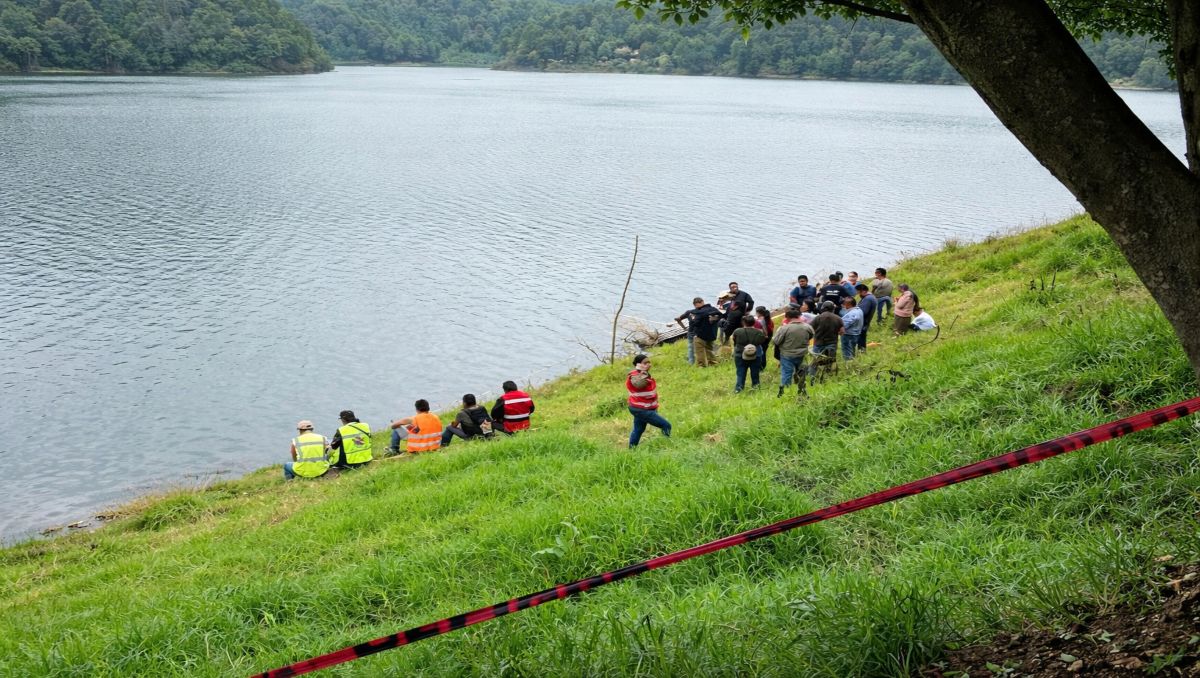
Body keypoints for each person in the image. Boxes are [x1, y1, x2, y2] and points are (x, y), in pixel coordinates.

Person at [626, 354, 671, 448]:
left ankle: (631, 451)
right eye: (645, 363)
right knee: (666, 425)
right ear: (638, 364)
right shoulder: (635, 376)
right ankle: (666, 447)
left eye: (649, 362)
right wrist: (642, 372)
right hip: (641, 409)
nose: (648, 364)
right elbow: (638, 384)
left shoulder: (643, 374)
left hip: (639, 407)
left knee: (638, 430)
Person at [772, 308, 815, 397]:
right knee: (801, 372)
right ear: (799, 316)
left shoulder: (784, 328)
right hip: (802, 353)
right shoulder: (807, 327)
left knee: (786, 373)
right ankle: (802, 389)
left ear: (787, 317)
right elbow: (811, 336)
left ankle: (785, 392)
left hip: (787, 354)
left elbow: (776, 341)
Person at [679, 297, 722, 367]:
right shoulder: (714, 309)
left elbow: (695, 323)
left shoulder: (699, 312)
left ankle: (701, 366)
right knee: (709, 349)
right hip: (712, 334)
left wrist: (692, 318)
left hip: (701, 334)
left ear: (695, 304)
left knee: (699, 351)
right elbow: (720, 316)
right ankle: (713, 363)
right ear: (703, 301)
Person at [731, 314, 766, 392]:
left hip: (740, 353)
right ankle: (756, 388)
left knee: (740, 372)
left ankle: (739, 389)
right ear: (754, 322)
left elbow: (734, 340)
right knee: (755, 373)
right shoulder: (759, 332)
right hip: (756, 354)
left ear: (743, 322)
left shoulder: (737, 331)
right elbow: (762, 340)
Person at [809, 301, 843, 375]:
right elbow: (842, 332)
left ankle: (812, 375)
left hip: (818, 343)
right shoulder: (838, 318)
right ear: (832, 309)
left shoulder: (818, 318)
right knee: (830, 360)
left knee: (816, 360)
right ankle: (828, 375)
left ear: (823, 308)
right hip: (832, 343)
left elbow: (810, 329)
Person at [855, 284, 878, 353]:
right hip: (865, 322)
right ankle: (862, 351)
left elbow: (863, 312)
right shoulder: (871, 297)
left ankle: (861, 351)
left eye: (859, 292)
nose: (858, 294)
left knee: (861, 338)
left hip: (863, 322)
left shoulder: (868, 299)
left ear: (864, 291)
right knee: (862, 338)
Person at [754, 306, 774, 370]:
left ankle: (761, 367)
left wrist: (765, 335)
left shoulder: (760, 320)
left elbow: (764, 330)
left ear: (759, 313)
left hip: (763, 338)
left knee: (761, 353)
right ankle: (762, 366)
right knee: (763, 352)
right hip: (768, 338)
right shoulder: (768, 319)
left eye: (756, 312)